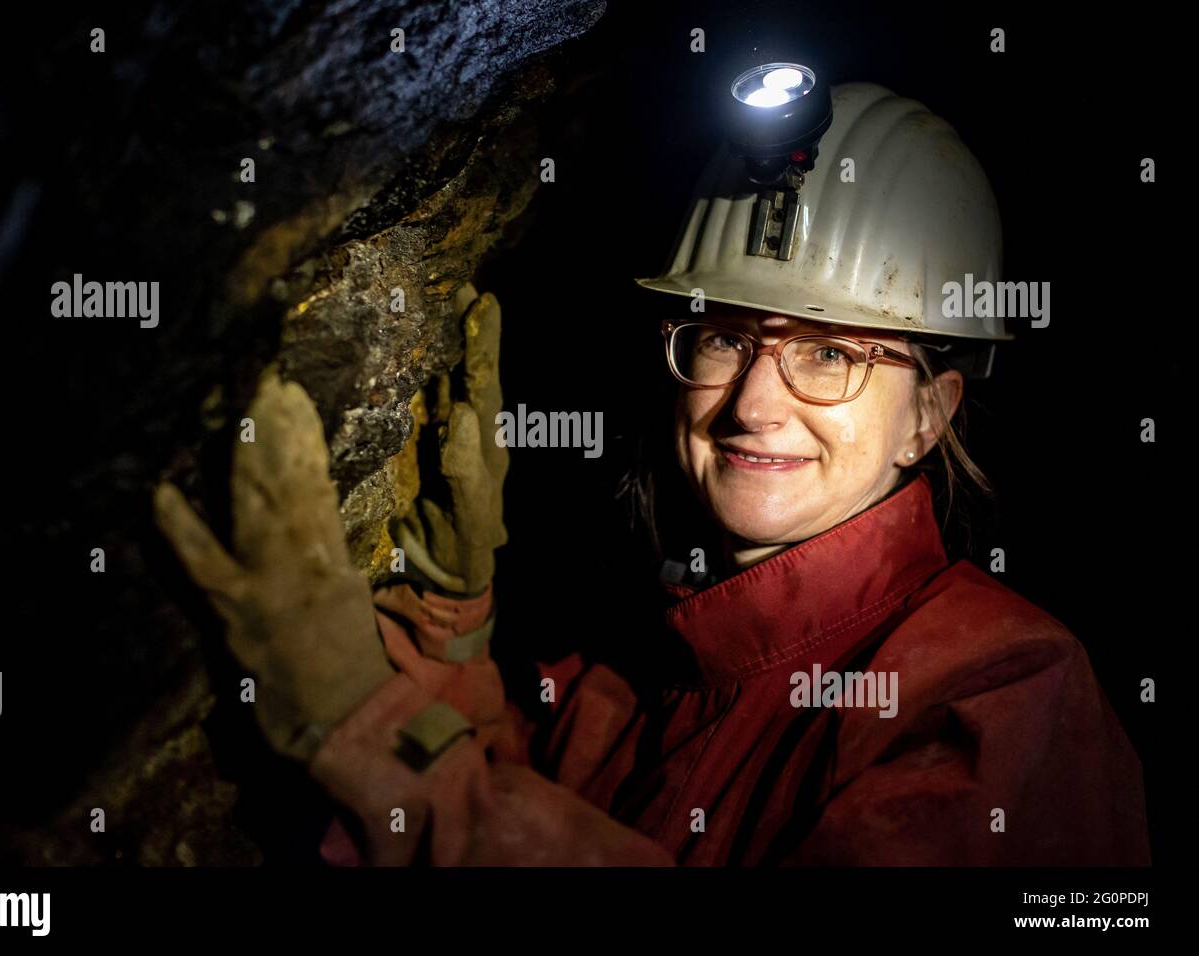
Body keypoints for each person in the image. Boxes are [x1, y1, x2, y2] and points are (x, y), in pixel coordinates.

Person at [154, 83, 1149, 865]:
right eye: (723, 337)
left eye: (830, 354)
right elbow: (521, 790)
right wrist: (453, 633)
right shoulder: (663, 667)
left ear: (927, 415)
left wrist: (352, 719)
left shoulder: (1002, 691)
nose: (755, 402)